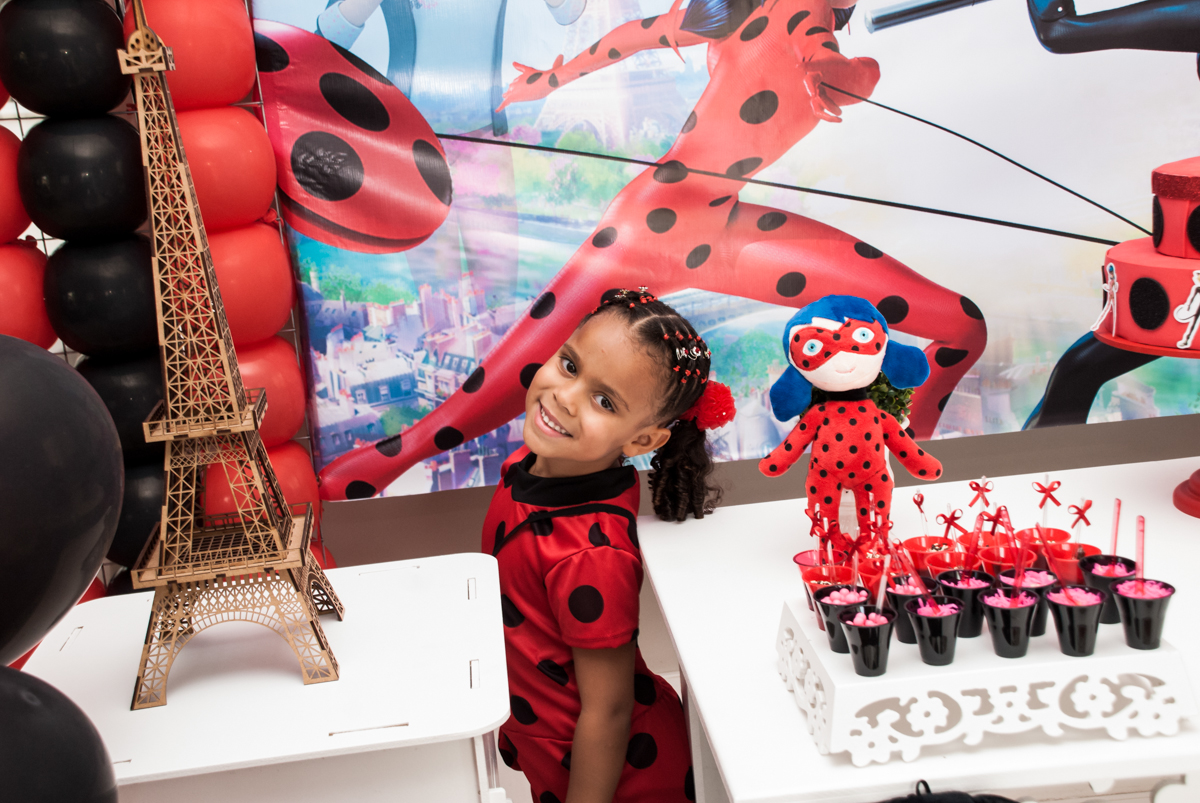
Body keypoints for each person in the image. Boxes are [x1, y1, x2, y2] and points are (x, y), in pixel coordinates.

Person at [482, 288, 735, 803]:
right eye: (570, 364)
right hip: (554, 748)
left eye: (603, 401)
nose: (563, 397)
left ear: (641, 442)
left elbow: (609, 709)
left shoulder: (591, 557)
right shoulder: (532, 464)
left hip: (619, 780)